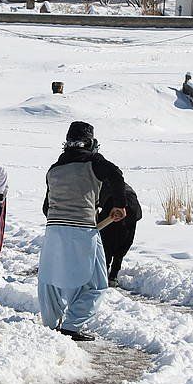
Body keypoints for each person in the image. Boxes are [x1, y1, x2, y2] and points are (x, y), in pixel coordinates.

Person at [39, 121, 126, 342]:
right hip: (83, 228)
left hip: (54, 228)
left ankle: (50, 324)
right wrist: (119, 204)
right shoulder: (93, 161)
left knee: (50, 278)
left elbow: (45, 207)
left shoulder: (54, 168)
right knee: (97, 283)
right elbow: (116, 175)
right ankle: (70, 325)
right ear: (91, 141)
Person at [99, 179, 142, 285]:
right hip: (132, 207)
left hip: (114, 203)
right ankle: (112, 276)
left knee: (107, 242)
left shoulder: (98, 185)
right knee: (123, 244)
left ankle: (104, 276)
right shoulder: (116, 182)